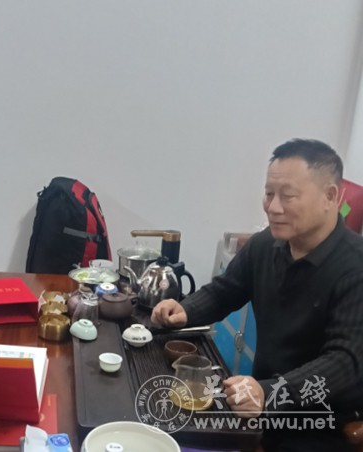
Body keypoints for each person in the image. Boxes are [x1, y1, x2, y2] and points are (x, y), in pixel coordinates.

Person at [152, 138, 363, 451]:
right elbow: (226, 290)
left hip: (321, 422)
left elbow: (345, 361)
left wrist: (270, 393)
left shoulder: (355, 267)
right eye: (269, 193)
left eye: (288, 196)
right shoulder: (266, 245)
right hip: (260, 405)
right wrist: (186, 310)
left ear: (330, 197)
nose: (273, 207)